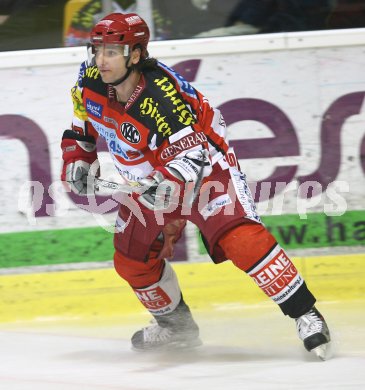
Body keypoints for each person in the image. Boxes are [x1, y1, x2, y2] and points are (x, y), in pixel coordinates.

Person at [60, 12, 331, 358]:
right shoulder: (90, 78)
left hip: (205, 170)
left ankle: (306, 314)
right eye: (98, 49)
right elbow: (81, 120)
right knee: (130, 257)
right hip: (148, 177)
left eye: (113, 51)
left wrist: (168, 185)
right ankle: (177, 329)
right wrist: (78, 159)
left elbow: (192, 159)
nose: (102, 59)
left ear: (137, 55)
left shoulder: (161, 98)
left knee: (240, 240)